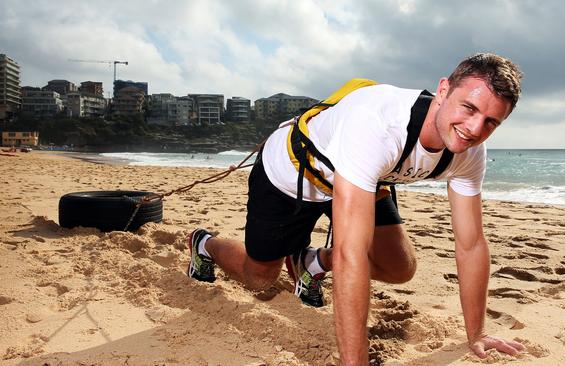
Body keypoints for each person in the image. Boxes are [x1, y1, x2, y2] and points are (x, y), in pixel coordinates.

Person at [187, 53, 525, 364]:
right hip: (292, 175)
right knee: (259, 277)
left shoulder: (468, 152)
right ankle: (204, 244)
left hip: (364, 178)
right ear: (443, 90)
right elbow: (352, 256)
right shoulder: (379, 124)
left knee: (399, 267)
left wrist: (476, 334)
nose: (474, 129)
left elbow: (471, 244)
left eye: (491, 122)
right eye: (469, 108)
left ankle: (311, 262)